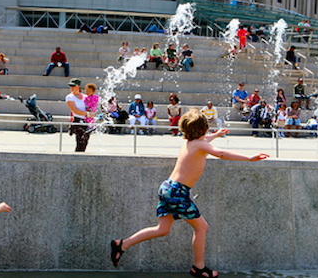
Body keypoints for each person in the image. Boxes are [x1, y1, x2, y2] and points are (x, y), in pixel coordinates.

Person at [110, 108, 269, 278]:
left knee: (162, 229)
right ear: (203, 129)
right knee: (202, 227)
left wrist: (216, 135)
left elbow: (204, 140)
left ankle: (122, 245)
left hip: (167, 188)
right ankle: (198, 267)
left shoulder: (190, 143)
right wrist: (249, 158)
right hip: (178, 192)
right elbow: (220, 153)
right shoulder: (201, 145)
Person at [66, 78, 93, 152]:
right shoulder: (69, 97)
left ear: (78, 86)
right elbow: (75, 110)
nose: (71, 88)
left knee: (85, 142)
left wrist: (90, 112)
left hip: (86, 121)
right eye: (71, 86)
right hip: (78, 120)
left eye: (73, 86)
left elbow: (89, 107)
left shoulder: (85, 97)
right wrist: (87, 113)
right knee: (80, 141)